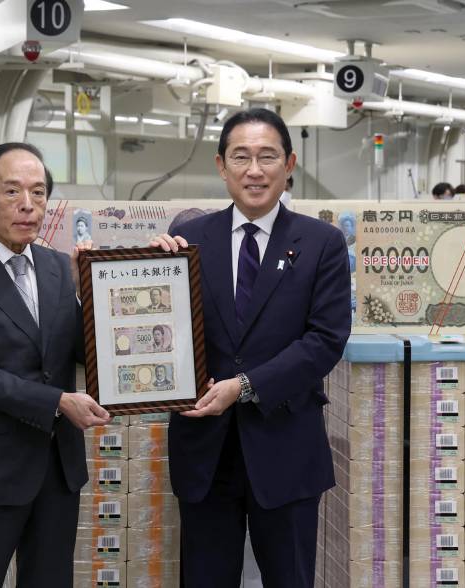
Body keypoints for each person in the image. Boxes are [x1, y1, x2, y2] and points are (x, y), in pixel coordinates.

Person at [150, 108, 351, 587]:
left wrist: (243, 387)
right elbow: (160, 335)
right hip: (206, 453)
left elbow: (324, 341)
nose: (254, 170)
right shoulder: (188, 243)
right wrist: (154, 276)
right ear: (222, 166)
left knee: (290, 577)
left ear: (290, 164)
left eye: (267, 156)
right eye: (241, 157)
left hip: (285, 448)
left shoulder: (322, 242)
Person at [0, 142, 111, 587]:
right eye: (12, 192)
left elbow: (82, 353)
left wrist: (96, 295)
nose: (28, 206)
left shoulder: (56, 268)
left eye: (38, 192)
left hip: (56, 468)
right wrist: (59, 401)